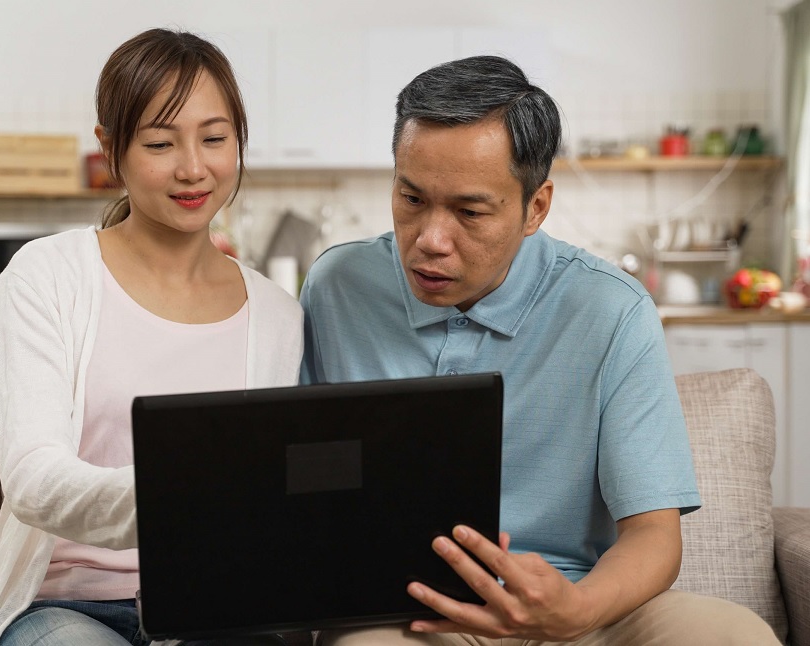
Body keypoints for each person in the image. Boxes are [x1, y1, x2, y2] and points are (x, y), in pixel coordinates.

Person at [299, 56, 780, 645]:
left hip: (579, 606)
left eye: (470, 211)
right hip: (411, 614)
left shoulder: (612, 310)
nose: (430, 240)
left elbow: (653, 534)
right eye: (411, 198)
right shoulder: (338, 286)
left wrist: (577, 609)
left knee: (734, 634)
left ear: (536, 207)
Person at [0, 29, 303, 646]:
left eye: (215, 139)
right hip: (66, 611)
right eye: (160, 143)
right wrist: (186, 493)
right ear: (112, 149)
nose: (194, 168)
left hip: (214, 612)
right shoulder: (47, 275)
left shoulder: (277, 314)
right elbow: (33, 478)